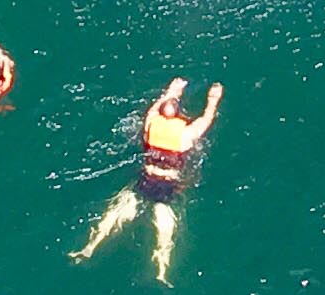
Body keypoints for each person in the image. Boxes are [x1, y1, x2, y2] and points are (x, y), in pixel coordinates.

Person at [72, 75, 221, 282]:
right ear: (179, 114)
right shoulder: (186, 135)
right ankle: (161, 271)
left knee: (117, 212)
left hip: (145, 180)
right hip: (167, 186)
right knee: (164, 227)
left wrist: (170, 92)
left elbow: (152, 111)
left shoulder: (151, 125)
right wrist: (213, 99)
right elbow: (206, 119)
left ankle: (90, 246)